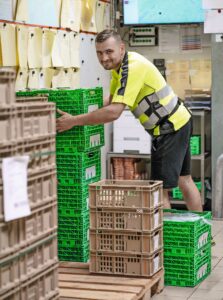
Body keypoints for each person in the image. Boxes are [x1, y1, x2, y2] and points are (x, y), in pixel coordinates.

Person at [56, 29, 202, 211]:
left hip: (168, 127)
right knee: (184, 179)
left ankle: (167, 239)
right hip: (179, 120)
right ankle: (202, 234)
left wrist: (74, 120)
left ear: (121, 48)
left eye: (109, 51)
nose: (104, 58)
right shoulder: (120, 68)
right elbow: (112, 100)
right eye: (99, 53)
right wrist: (82, 106)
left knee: (160, 190)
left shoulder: (132, 67)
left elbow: (113, 112)